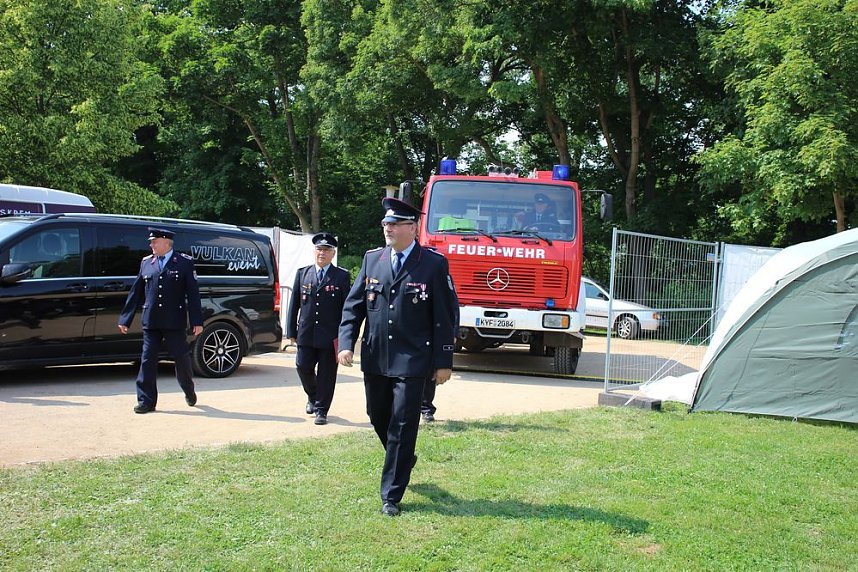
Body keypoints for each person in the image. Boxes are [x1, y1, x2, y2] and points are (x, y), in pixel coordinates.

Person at [338, 197, 458, 517]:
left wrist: (443, 361)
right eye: (385, 224)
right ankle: (404, 456)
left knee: (404, 424)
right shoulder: (372, 259)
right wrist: (346, 343)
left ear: (413, 228)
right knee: (377, 415)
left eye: (394, 224)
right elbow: (354, 306)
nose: (387, 229)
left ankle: (390, 494)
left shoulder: (432, 264)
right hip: (377, 356)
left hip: (413, 359)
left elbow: (445, 316)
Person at [118, 228, 203, 414]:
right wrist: (125, 319)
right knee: (147, 360)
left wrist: (197, 321)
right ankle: (146, 401)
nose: (151, 245)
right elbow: (136, 292)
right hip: (152, 321)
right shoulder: (146, 263)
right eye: (151, 242)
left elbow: (193, 294)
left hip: (174, 321)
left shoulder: (184, 262)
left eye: (154, 241)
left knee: (181, 359)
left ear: (166, 242)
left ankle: (188, 389)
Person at [286, 232, 351, 425]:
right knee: (303, 366)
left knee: (327, 375)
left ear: (333, 253)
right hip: (306, 333)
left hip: (330, 336)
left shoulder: (341, 276)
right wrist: (291, 331)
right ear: (314, 251)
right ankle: (313, 396)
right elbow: (294, 305)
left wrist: (345, 336)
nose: (322, 253)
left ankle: (322, 410)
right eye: (319, 249)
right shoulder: (303, 273)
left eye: (326, 250)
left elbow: (347, 309)